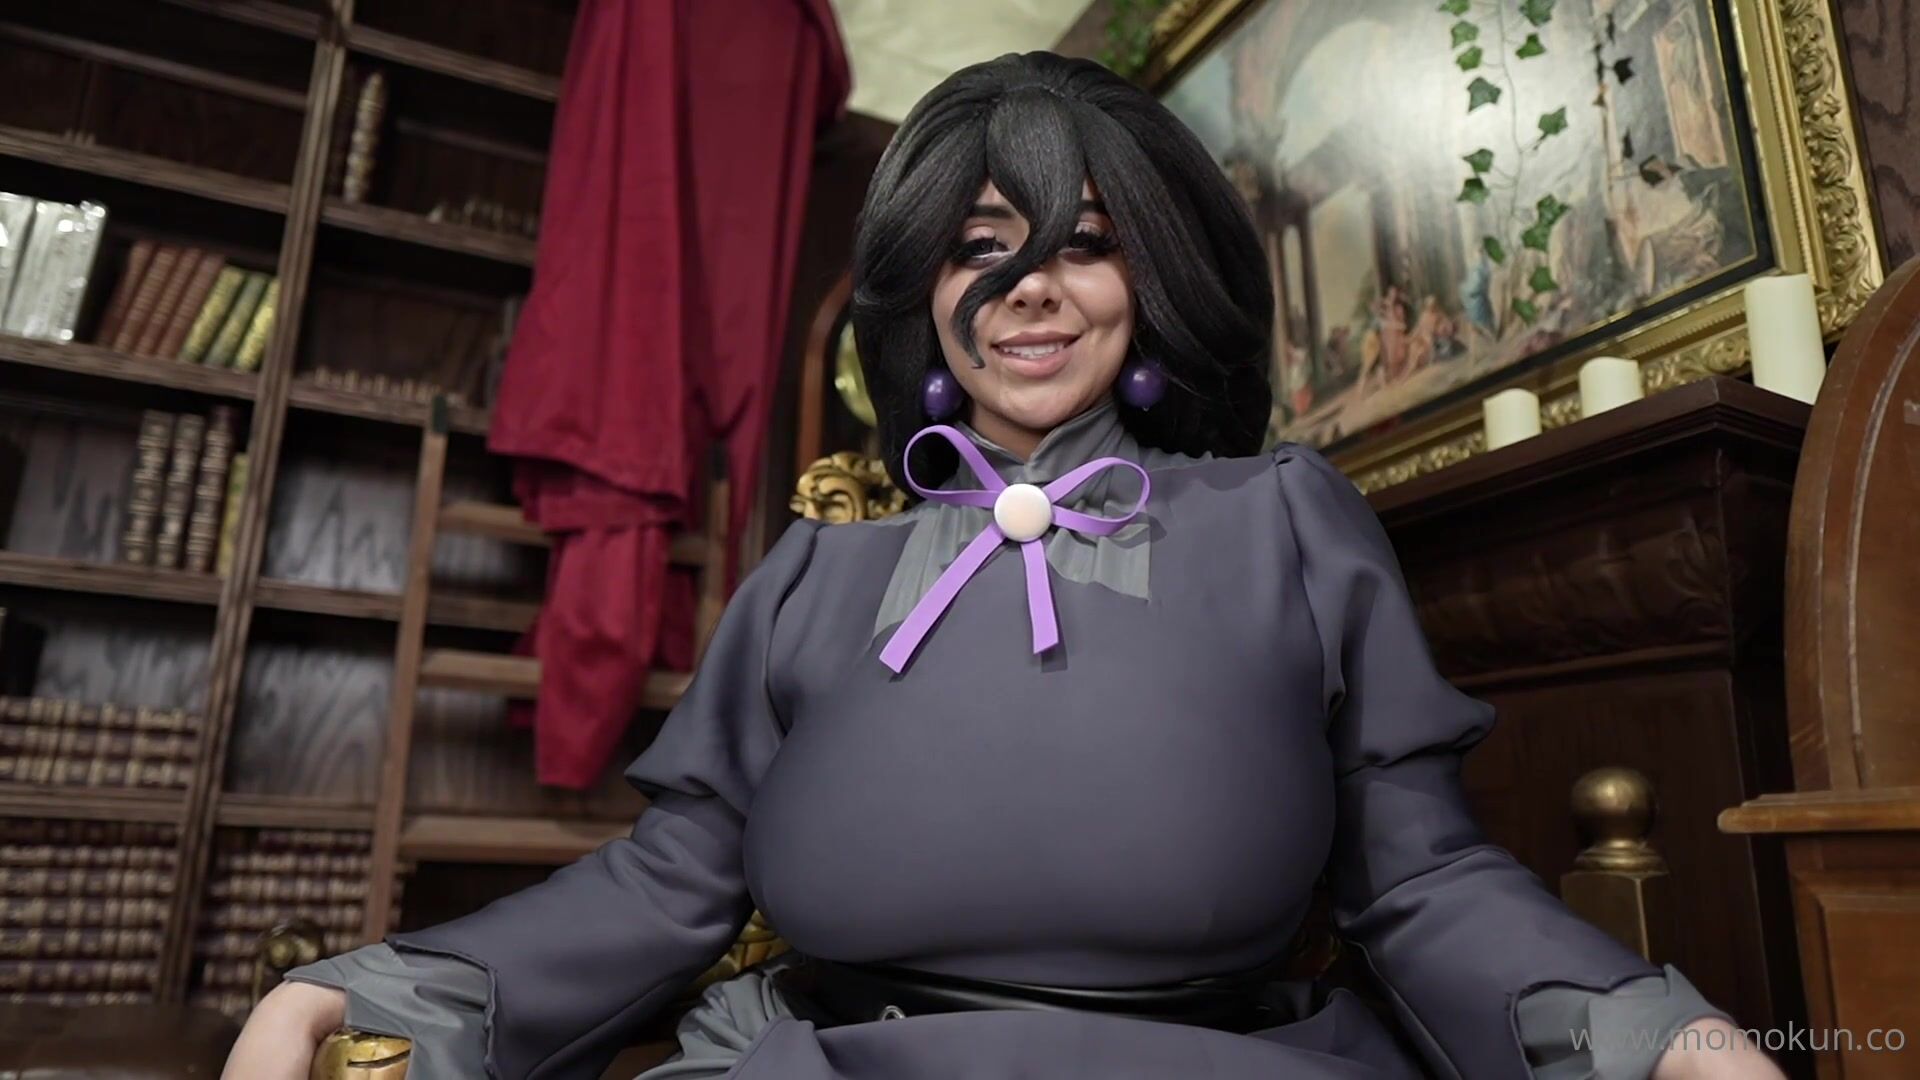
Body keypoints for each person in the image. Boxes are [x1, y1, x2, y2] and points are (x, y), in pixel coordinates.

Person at [225, 52, 1784, 1080]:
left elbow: (1425, 880)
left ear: (1156, 277)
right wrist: (372, 989)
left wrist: (1651, 1030)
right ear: (926, 290)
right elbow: (666, 882)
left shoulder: (1286, 517)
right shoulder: (820, 567)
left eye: (1084, 242)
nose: (1030, 287)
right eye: (983, 247)